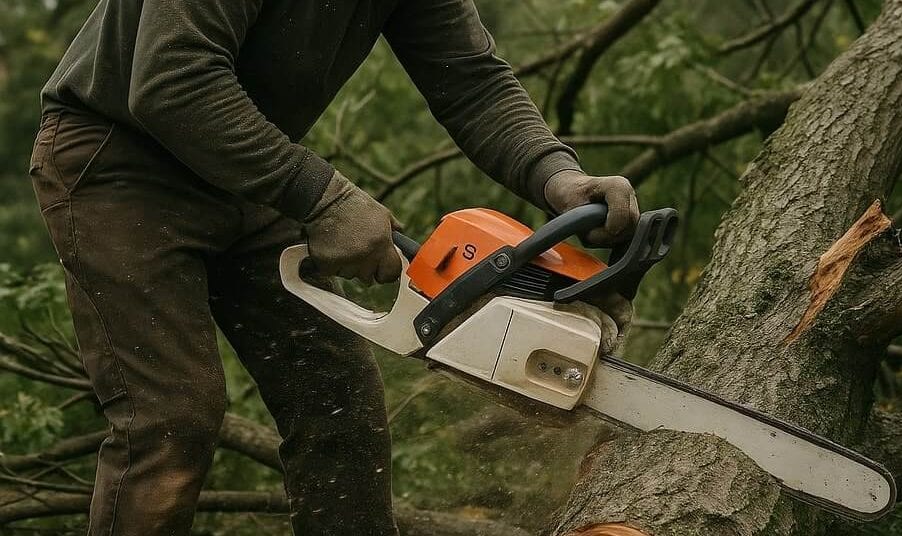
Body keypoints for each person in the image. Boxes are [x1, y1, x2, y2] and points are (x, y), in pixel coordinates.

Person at [28, 1, 640, 534]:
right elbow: (171, 78)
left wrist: (556, 175)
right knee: (171, 419)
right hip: (117, 161)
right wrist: (324, 199)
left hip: (242, 173)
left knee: (338, 403)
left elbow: (473, 81)